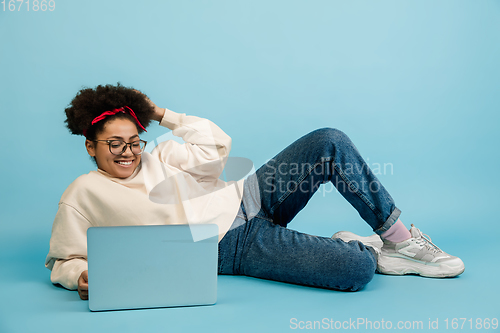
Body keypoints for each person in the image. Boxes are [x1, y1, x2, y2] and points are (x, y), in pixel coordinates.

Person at [45, 83, 464, 300]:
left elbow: (218, 146)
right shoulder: (82, 194)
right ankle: (362, 248)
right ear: (90, 146)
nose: (127, 152)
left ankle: (400, 242)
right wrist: (80, 276)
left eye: (133, 140)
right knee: (355, 272)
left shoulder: (161, 153)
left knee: (328, 140)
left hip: (249, 194)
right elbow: (64, 259)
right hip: (230, 245)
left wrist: (158, 114)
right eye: (114, 144)